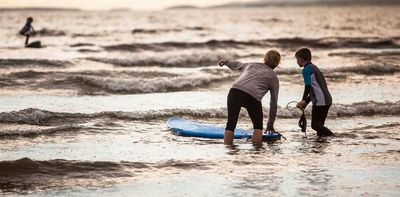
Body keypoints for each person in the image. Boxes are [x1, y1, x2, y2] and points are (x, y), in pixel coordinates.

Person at [219, 50, 280, 145]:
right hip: (252, 97)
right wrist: (270, 125)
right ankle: (256, 151)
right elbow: (273, 103)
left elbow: (236, 64)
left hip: (235, 91)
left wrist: (226, 61)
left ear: (265, 59)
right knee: (258, 127)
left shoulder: (252, 65)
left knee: (230, 124)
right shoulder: (273, 77)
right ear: (277, 63)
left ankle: (228, 150)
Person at [295, 48, 334, 137]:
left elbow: (308, 86)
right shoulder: (314, 67)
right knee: (320, 126)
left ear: (301, 59)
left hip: (320, 101)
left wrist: (303, 100)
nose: (297, 61)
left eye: (297, 59)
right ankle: (321, 143)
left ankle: (333, 136)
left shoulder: (306, 70)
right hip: (327, 99)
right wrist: (306, 102)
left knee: (315, 125)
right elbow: (314, 89)